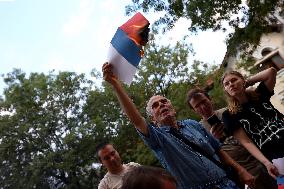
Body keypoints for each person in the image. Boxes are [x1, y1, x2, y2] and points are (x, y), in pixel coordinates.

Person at [102, 62, 255, 189]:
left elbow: (219, 151)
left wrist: (241, 170)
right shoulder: (159, 139)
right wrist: (116, 85)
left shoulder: (193, 124)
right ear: (153, 119)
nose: (161, 105)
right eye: (155, 106)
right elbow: (136, 120)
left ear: (173, 108)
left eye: (164, 102)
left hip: (228, 183)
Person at [187, 88, 277, 189]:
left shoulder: (231, 112)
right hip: (243, 174)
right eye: (197, 106)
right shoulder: (198, 131)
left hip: (263, 161)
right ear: (194, 110)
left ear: (210, 99)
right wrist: (214, 139)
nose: (203, 107)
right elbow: (210, 158)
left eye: (204, 101)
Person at [221, 67, 284, 180]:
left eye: (234, 80)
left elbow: (271, 72)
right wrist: (266, 163)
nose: (231, 84)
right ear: (226, 90)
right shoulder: (228, 115)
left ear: (243, 80)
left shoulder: (260, 94)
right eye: (227, 84)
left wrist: (247, 82)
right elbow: (246, 142)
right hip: (276, 158)